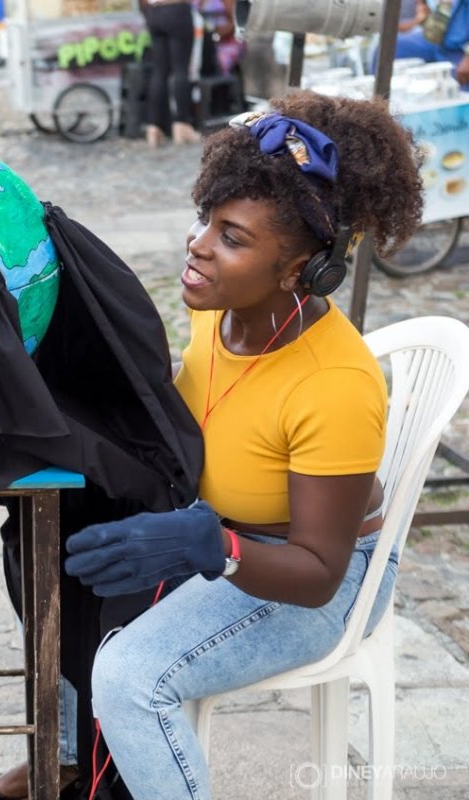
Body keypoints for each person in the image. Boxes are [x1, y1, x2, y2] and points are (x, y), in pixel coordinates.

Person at [61, 92, 423, 799]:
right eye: (206, 220)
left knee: (132, 677)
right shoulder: (219, 311)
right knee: (59, 577)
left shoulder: (334, 384)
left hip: (316, 577)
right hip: (228, 535)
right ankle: (75, 765)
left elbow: (317, 572)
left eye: (232, 237)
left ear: (301, 271)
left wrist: (217, 549)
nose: (198, 245)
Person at [140, 0, 200, 147]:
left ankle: (154, 127)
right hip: (176, 9)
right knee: (181, 70)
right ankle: (181, 124)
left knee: (159, 71)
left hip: (153, 11)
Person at [395, 0, 469, 87]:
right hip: (440, 42)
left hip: (460, 51)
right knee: (392, 46)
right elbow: (432, 31)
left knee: (456, 85)